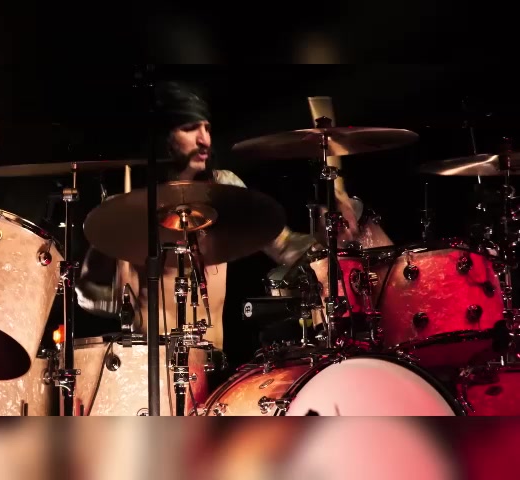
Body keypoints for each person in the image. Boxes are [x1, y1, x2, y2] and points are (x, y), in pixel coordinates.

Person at [75, 81, 367, 353]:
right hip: (149, 366)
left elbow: (284, 246)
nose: (204, 140)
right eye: (190, 129)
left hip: (211, 364)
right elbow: (86, 293)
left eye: (207, 128)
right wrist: (120, 297)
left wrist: (326, 237)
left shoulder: (225, 188)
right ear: (165, 138)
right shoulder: (130, 205)